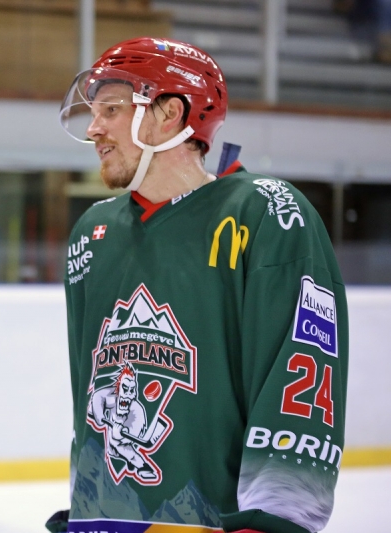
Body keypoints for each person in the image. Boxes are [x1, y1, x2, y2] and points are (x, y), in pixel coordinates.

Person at [51, 37, 348, 533]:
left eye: (111, 109)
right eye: (94, 112)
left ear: (170, 113)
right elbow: (89, 405)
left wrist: (272, 522)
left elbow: (300, 375)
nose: (93, 128)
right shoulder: (93, 232)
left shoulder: (264, 213)